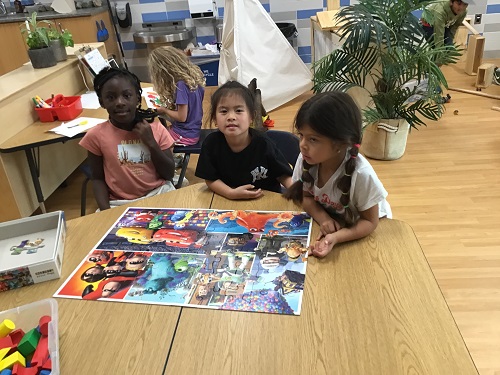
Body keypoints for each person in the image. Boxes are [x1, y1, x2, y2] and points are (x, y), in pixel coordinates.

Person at [284, 91, 392, 259]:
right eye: (301, 135)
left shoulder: (362, 174)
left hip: (365, 231)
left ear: (341, 143)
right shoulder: (307, 158)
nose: (302, 145)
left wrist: (336, 238)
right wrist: (324, 219)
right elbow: (306, 197)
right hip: (337, 220)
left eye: (313, 139)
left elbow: (370, 222)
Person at [79, 67, 176, 211]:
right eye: (111, 97)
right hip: (119, 203)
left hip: (158, 194)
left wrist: (151, 142)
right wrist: (105, 212)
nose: (119, 102)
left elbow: (169, 174)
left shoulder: (155, 129)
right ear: (102, 102)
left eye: (127, 95)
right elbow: (97, 178)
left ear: (137, 98)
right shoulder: (96, 136)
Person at [195, 81, 293, 199]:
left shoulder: (264, 144)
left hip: (265, 201)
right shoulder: (211, 143)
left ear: (251, 117)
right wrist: (230, 193)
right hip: (226, 202)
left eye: (239, 110)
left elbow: (283, 175)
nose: (231, 117)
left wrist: (297, 193)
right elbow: (210, 179)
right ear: (215, 118)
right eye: (224, 111)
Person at [148, 46, 205, 147]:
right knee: (159, 131)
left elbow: (181, 117)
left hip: (184, 135)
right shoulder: (192, 79)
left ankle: (172, 161)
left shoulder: (181, 85)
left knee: (151, 140)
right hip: (192, 130)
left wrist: (164, 110)